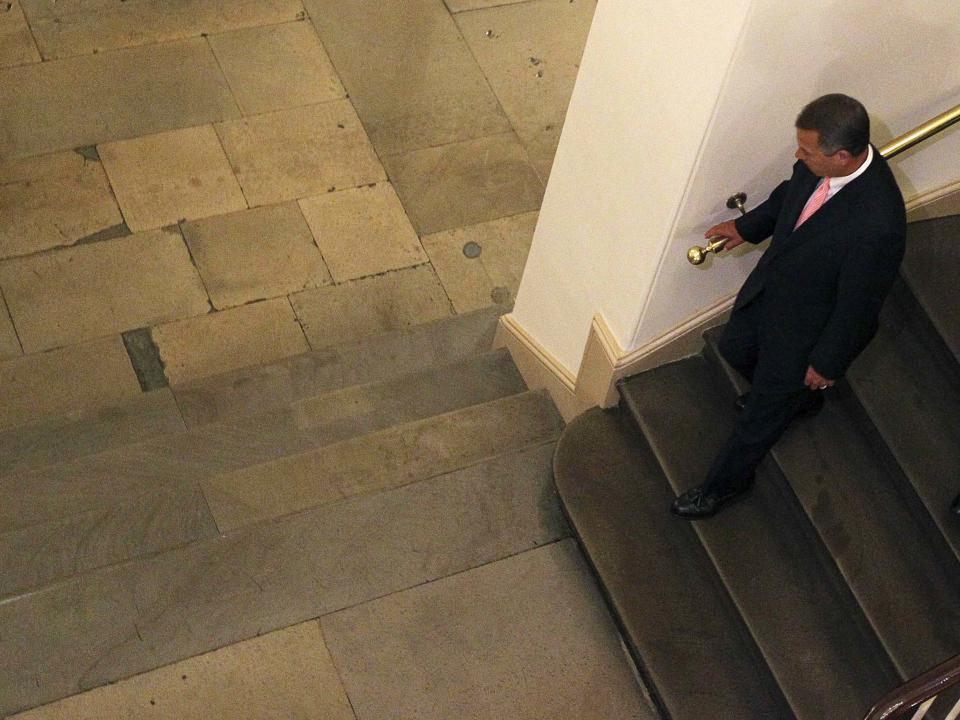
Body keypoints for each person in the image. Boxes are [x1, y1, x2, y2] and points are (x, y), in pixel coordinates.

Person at [672, 93, 906, 519]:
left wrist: (827, 364)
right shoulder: (818, 166)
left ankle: (724, 487)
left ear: (841, 156)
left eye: (806, 150)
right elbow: (790, 195)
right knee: (735, 348)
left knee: (759, 417)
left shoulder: (879, 224)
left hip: (808, 332)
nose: (798, 156)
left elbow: (860, 305)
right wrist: (747, 226)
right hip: (773, 295)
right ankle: (800, 401)